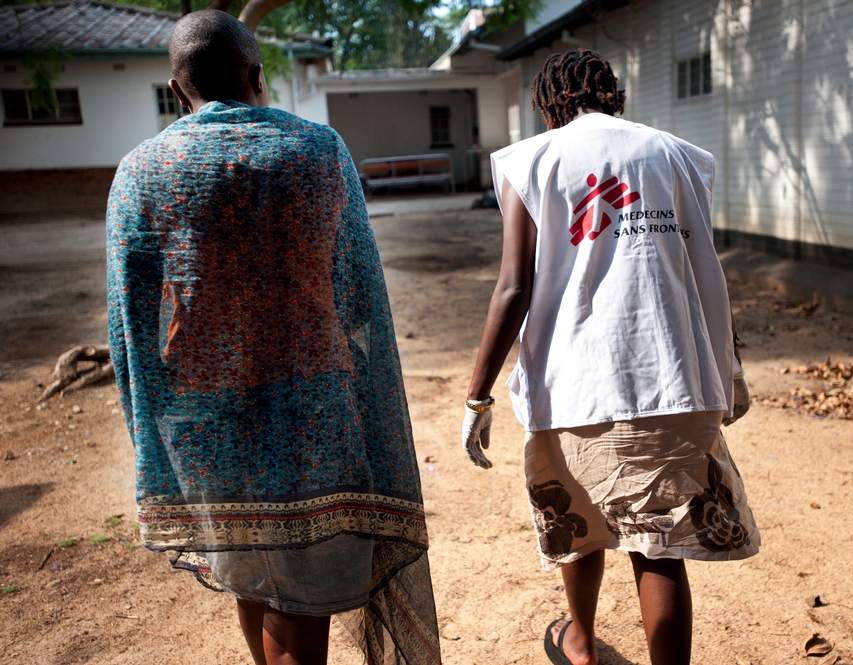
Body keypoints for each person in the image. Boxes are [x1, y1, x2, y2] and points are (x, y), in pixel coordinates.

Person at [106, 11, 440, 665]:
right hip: (311, 422)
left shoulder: (142, 171)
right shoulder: (319, 151)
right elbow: (359, 294)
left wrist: (151, 437)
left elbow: (129, 330)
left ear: (178, 91)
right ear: (258, 75)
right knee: (299, 615)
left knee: (254, 584)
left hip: (204, 433)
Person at [461, 49, 759, 665]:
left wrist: (478, 394)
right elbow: (706, 271)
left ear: (548, 105)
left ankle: (580, 645)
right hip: (674, 380)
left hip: (575, 386)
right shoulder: (675, 154)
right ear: (613, 95)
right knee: (659, 548)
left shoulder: (533, 160)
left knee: (579, 525)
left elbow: (514, 286)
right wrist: (728, 370)